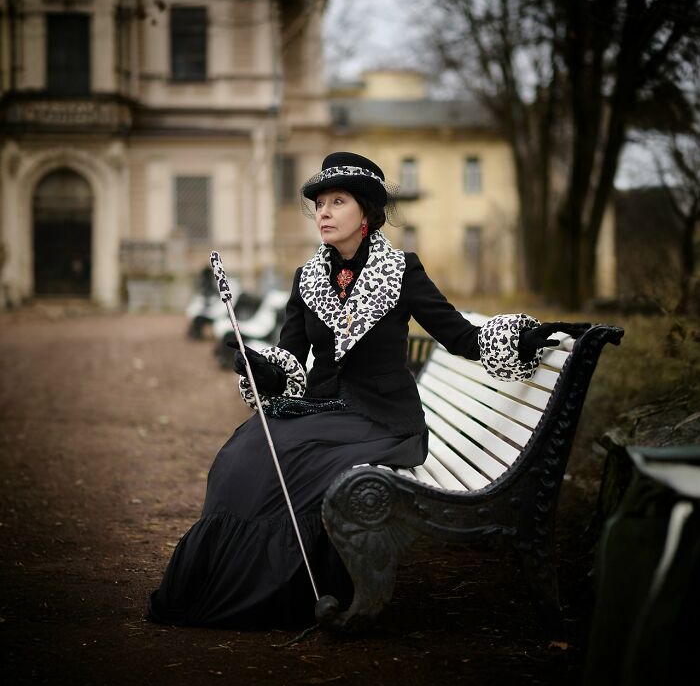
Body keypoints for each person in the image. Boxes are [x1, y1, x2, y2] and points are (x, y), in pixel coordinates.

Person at [148, 152, 583, 629]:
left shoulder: (402, 272)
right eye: (319, 204)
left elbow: (461, 337)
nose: (324, 212)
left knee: (299, 457)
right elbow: (290, 359)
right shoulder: (308, 277)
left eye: (338, 201)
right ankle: (225, 580)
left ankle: (285, 590)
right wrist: (260, 368)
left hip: (383, 421)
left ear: (368, 214)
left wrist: (530, 335)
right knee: (244, 453)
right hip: (325, 410)